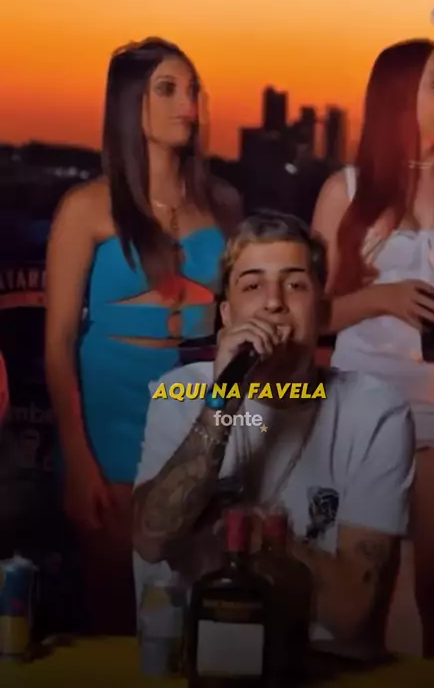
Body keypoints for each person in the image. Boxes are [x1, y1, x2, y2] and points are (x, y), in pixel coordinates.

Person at [133, 212, 415, 654]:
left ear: (322, 311)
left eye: (295, 284)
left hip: (314, 664)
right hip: (193, 659)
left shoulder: (375, 411)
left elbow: (351, 611)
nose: (273, 303)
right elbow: (152, 540)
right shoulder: (180, 393)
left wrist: (254, 534)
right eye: (252, 286)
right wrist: (223, 399)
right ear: (226, 316)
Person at [45, 37, 242, 634]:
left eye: (193, 90)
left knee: (193, 605)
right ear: (132, 104)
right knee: (115, 615)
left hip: (192, 410)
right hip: (108, 424)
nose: (188, 104)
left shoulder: (224, 205)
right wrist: (78, 461)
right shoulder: (86, 208)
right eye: (168, 89)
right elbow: (57, 343)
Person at [311, 38, 434, 659]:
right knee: (360, 587)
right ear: (397, 98)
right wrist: (383, 299)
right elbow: (310, 315)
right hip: (363, 401)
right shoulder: (346, 191)